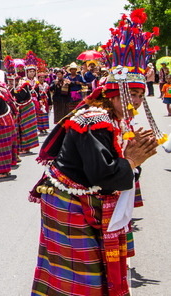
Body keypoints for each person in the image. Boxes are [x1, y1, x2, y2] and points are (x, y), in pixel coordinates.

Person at [30, 11, 166, 295]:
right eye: (132, 95)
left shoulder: (114, 119)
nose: (137, 102)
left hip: (80, 198)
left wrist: (130, 160)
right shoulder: (95, 119)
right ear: (113, 94)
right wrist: (132, 161)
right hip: (68, 202)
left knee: (88, 274)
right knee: (82, 279)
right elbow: (102, 174)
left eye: (141, 95)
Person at [35, 62, 51, 134]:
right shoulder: (36, 85)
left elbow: (49, 95)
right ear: (38, 78)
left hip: (46, 101)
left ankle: (45, 128)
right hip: (39, 101)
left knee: (45, 114)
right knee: (40, 115)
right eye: (40, 77)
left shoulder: (46, 85)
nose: (42, 79)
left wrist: (50, 104)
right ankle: (40, 129)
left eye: (43, 77)